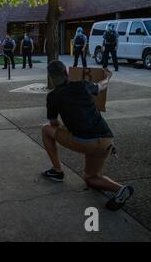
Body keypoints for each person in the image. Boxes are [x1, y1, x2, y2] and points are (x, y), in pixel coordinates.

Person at [41, 60, 134, 211]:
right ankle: (120, 189)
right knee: (91, 178)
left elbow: (53, 124)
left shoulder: (53, 96)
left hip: (83, 141)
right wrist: (108, 76)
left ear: (51, 78)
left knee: (45, 130)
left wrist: (66, 127)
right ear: (66, 73)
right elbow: (101, 86)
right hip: (106, 140)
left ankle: (57, 171)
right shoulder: (82, 85)